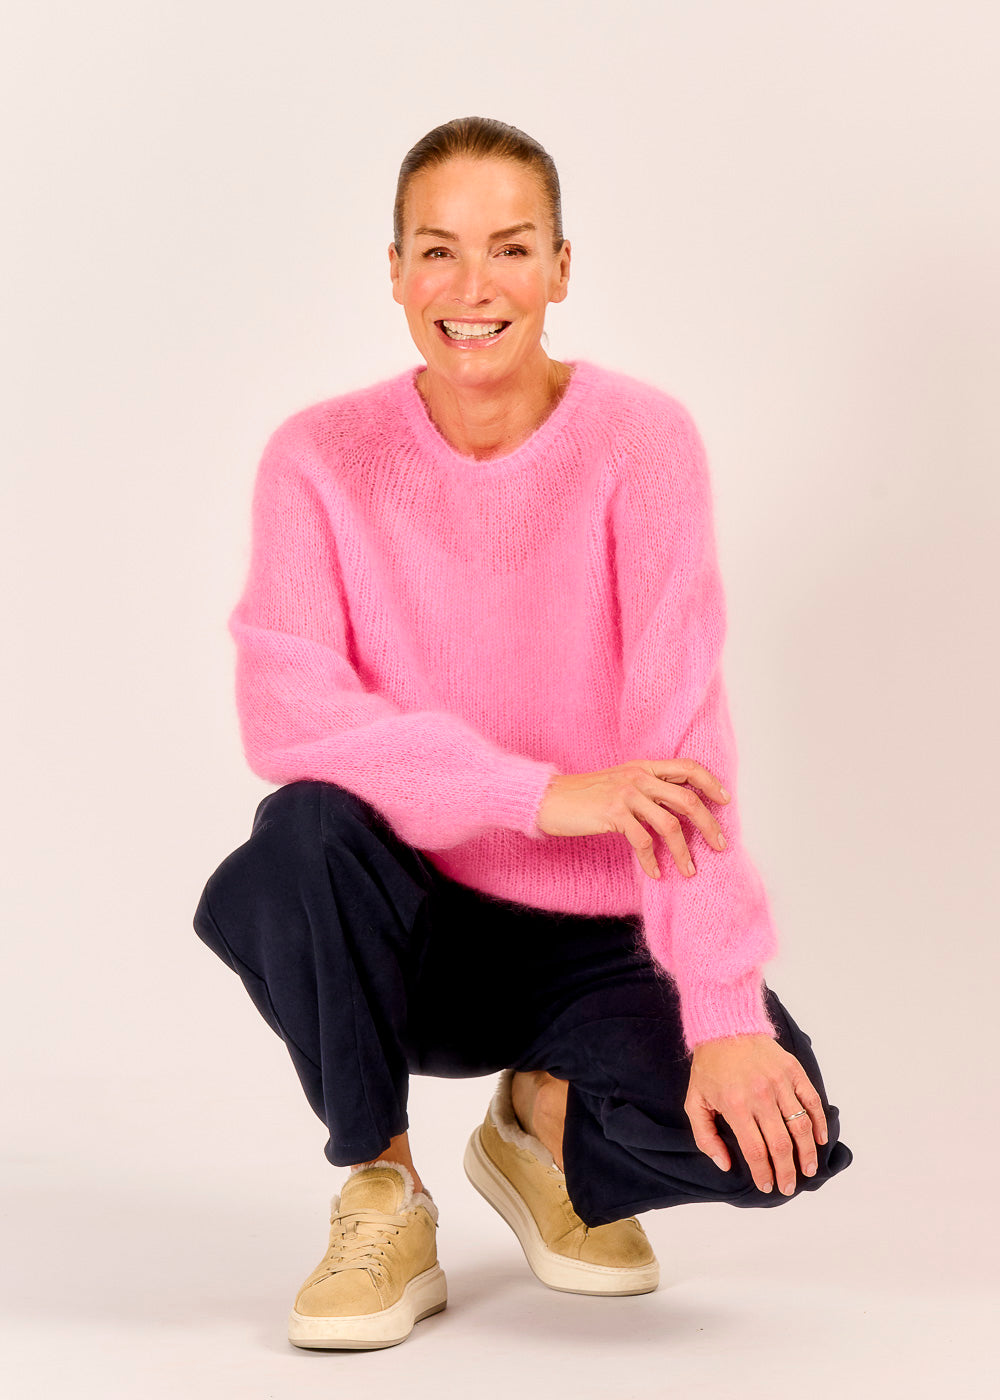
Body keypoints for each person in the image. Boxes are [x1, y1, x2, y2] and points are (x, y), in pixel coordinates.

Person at [192, 115, 853, 1352]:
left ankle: (540, 1117)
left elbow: (684, 750)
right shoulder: (319, 458)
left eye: (509, 247)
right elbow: (287, 709)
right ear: (395, 271)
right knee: (299, 835)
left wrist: (722, 1012)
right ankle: (382, 1181)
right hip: (410, 931)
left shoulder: (639, 441)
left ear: (560, 266)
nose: (473, 286)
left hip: (596, 934)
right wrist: (537, 792)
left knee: (779, 1139)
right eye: (438, 250)